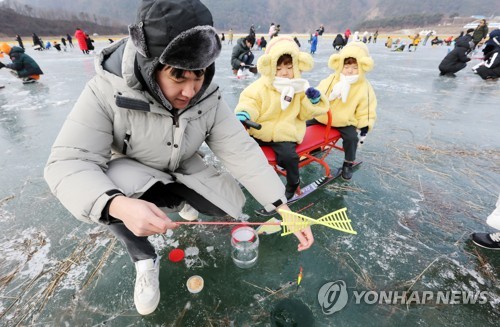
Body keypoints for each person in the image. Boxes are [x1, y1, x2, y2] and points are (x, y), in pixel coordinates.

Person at [44, 0, 314, 316]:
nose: (190, 90)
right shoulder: (106, 90)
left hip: (181, 164)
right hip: (129, 172)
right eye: (178, 76)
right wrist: (118, 206)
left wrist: (283, 208)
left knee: (224, 204)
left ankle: (177, 199)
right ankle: (144, 259)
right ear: (150, 64)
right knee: (110, 197)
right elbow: (67, 163)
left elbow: (240, 149)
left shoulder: (207, 95)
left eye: (199, 75)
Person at [234, 36, 329, 200]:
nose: (284, 72)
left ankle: (293, 182)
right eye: (278, 68)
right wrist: (245, 113)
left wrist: (312, 101)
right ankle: (250, 176)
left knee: (289, 157)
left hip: (286, 132)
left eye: (289, 66)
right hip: (260, 130)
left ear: (297, 66)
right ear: (270, 67)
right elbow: (251, 102)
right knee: (244, 149)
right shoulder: (261, 86)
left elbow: (304, 114)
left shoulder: (299, 88)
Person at [313, 42, 377, 180]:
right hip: (323, 117)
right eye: (346, 66)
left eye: (355, 67)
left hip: (344, 121)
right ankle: (313, 149)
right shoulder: (332, 79)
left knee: (351, 138)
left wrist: (364, 125)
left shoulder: (363, 87)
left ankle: (348, 162)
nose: (349, 70)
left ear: (362, 67)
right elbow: (321, 92)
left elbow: (366, 108)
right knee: (302, 125)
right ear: (340, 65)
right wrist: (314, 99)